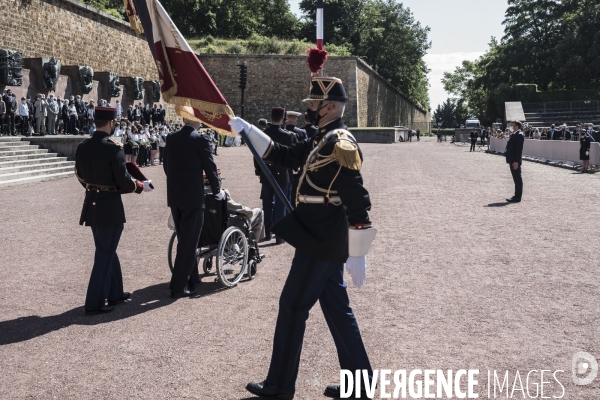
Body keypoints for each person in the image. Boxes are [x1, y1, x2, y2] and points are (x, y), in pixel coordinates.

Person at [229, 76, 376, 400]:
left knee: (292, 306)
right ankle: (361, 385)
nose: (308, 109)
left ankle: (280, 385)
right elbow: (284, 155)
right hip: (315, 235)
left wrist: (358, 250)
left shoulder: (340, 143)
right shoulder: (320, 137)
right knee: (338, 311)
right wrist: (249, 130)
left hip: (321, 241)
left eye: (312, 104)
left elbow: (358, 200)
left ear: (329, 107)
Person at [74, 106, 153, 315]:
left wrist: (94, 188)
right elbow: (123, 180)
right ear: (110, 123)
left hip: (92, 203)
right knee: (104, 252)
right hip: (109, 205)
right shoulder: (113, 147)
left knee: (107, 248)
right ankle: (94, 303)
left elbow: (80, 175)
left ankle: (115, 292)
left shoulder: (83, 146)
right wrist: (140, 186)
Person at [163, 106, 223, 298]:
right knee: (189, 242)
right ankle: (178, 286)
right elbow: (210, 168)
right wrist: (217, 190)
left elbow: (166, 166)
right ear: (196, 121)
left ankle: (192, 276)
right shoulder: (200, 139)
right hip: (193, 197)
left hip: (175, 195)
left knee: (184, 238)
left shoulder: (171, 138)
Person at [260, 107, 294, 244]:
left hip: (266, 172)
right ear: (282, 119)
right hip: (282, 173)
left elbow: (257, 156)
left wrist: (259, 170)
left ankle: (268, 232)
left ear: (271, 117)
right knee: (281, 204)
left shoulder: (263, 134)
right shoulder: (287, 136)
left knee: (267, 204)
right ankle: (279, 235)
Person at [505, 120, 525, 203]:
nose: (511, 126)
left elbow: (519, 150)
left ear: (516, 126)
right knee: (515, 178)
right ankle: (516, 195)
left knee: (517, 178)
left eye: (512, 125)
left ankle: (517, 196)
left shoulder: (519, 135)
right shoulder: (515, 134)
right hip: (512, 159)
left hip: (514, 160)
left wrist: (516, 161)